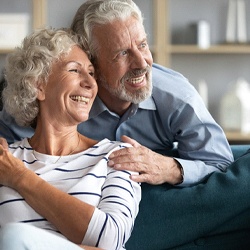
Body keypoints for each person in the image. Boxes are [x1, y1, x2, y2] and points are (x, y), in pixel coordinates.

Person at [0, 0, 233, 187]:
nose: (142, 63)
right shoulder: (61, 100)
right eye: (122, 53)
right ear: (91, 61)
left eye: (142, 45)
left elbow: (221, 164)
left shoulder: (176, 97)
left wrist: (170, 168)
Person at [0, 28, 141, 250]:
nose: (90, 83)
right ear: (38, 86)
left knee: (13, 236)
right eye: (75, 70)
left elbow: (110, 238)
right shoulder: (5, 160)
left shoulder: (116, 156)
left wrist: (19, 177)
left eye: (92, 73)